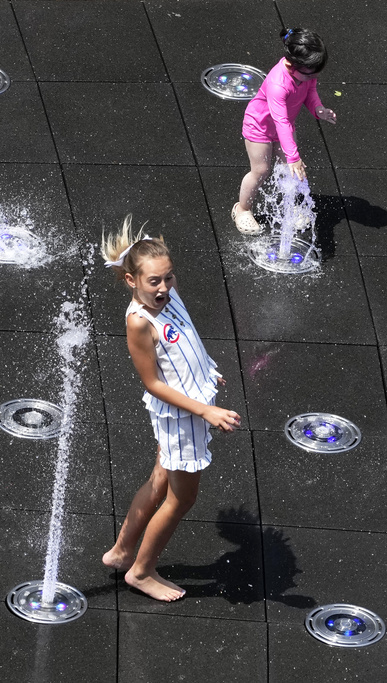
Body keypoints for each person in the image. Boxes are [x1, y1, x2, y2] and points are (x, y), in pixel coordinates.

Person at [100, 215, 242, 601]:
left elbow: (187, 339)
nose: (164, 287)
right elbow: (153, 383)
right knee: (182, 498)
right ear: (131, 282)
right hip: (182, 416)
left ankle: (122, 551)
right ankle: (142, 572)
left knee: (160, 478)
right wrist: (206, 410)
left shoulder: (166, 294)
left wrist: (207, 371)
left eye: (169, 277)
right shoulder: (139, 321)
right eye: (154, 281)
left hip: (191, 404)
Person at [233, 27, 337, 235]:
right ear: (290, 65)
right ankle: (242, 209)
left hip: (284, 126)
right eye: (311, 74)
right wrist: (293, 156)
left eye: (317, 73)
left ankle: (288, 205)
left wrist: (318, 109)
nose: (314, 77)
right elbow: (280, 121)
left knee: (290, 172)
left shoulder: (307, 72)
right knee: (261, 171)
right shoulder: (278, 84)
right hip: (259, 127)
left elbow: (310, 91)